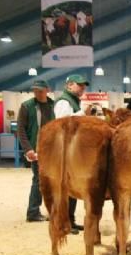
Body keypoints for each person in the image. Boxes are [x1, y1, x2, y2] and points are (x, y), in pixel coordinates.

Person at [54, 74, 94, 234]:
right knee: (65, 188)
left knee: (71, 187)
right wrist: (83, 113)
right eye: (79, 85)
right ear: (69, 85)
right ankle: (64, 223)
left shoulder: (73, 101)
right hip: (64, 149)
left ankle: (70, 220)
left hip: (72, 149)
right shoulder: (64, 101)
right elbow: (62, 123)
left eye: (84, 86)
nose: (82, 88)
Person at [17, 80, 55, 222]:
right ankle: (33, 212)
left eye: (40, 90)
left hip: (53, 151)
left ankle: (51, 211)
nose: (37, 93)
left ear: (47, 90)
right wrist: (28, 149)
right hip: (37, 150)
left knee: (52, 181)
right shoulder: (27, 106)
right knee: (38, 180)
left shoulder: (54, 106)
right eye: (35, 90)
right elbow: (21, 130)